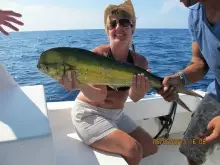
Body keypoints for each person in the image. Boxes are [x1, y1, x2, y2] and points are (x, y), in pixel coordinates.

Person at [59, 0, 158, 165]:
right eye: (113, 24)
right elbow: (99, 96)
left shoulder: (140, 62)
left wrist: (140, 92)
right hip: (89, 114)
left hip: (116, 115)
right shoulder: (98, 55)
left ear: (133, 29)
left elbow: (134, 98)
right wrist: (80, 85)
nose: (118, 27)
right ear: (107, 31)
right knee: (134, 150)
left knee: (150, 147)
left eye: (125, 22)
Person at [157, 0, 220, 165]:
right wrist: (180, 79)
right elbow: (200, 62)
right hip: (217, 91)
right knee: (191, 146)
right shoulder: (195, 15)